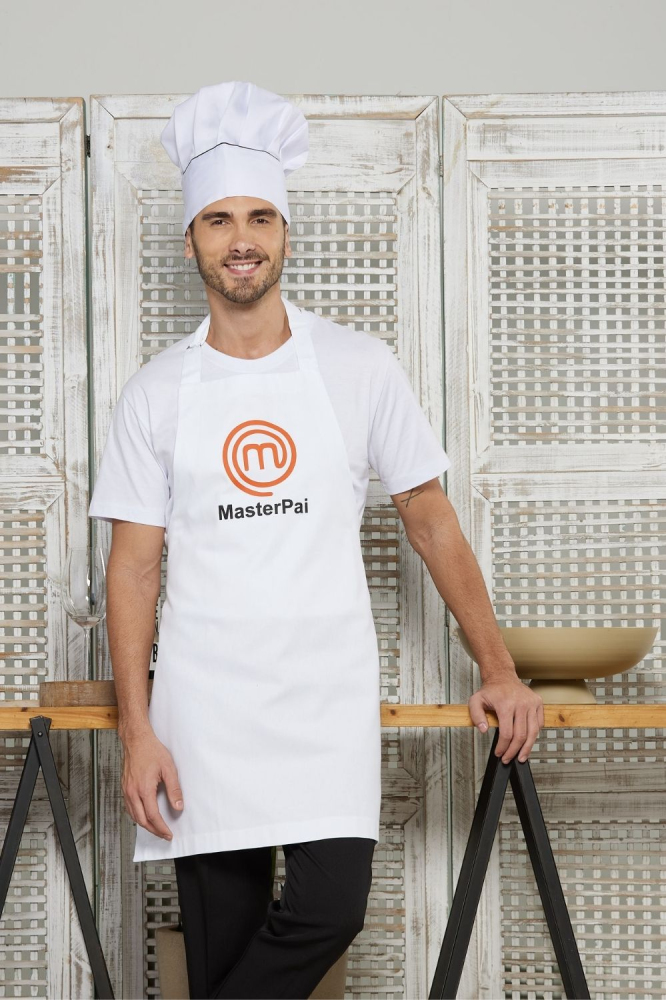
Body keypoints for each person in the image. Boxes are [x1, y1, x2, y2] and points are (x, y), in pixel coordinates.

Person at [88, 80, 543, 999]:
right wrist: (138, 731)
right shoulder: (156, 393)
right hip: (204, 709)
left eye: (259, 217)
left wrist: (498, 668)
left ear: (286, 234)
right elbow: (132, 570)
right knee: (220, 954)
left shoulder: (359, 367)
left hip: (325, 700)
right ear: (191, 239)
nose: (241, 238)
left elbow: (430, 519)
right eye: (219, 219)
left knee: (332, 909)